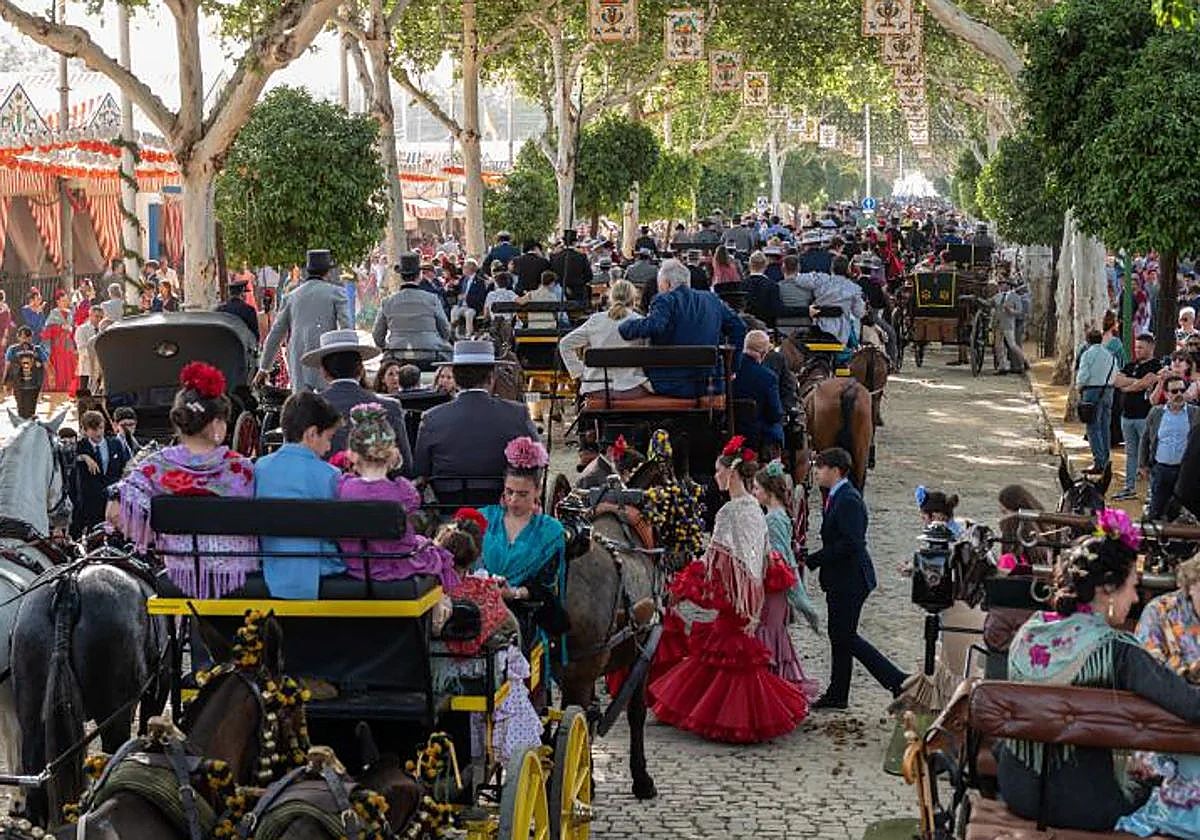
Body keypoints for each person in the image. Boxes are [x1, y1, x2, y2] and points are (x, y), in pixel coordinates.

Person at [999, 511, 1200, 832]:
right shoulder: (1116, 649)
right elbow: (1192, 706)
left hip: (1018, 791)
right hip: (1087, 803)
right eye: (1132, 587)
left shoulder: (1030, 631)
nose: (1136, 598)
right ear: (1107, 589)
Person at [650, 438, 809, 743]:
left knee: (722, 657)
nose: (716, 478)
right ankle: (720, 713)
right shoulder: (754, 508)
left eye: (718, 472)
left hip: (735, 597)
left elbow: (714, 561)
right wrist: (752, 603)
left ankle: (726, 716)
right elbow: (759, 560)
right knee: (721, 659)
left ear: (732, 473)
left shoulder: (729, 512)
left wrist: (684, 587)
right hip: (748, 598)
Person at [109, 362, 257, 598]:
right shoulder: (242, 468)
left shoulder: (155, 466)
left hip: (182, 575)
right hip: (235, 578)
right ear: (217, 425)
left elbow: (117, 510)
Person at [806, 447, 907, 708]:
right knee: (839, 636)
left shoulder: (848, 499)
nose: (816, 472)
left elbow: (852, 543)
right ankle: (838, 693)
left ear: (836, 470)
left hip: (850, 579)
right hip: (842, 578)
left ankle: (896, 679)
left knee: (845, 636)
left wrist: (815, 559)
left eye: (821, 467)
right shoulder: (838, 495)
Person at [1118, 555, 1200, 837]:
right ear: (1190, 585)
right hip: (1163, 730)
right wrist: (1190, 674)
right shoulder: (1160, 612)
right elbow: (1150, 681)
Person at [336, 403, 458, 588]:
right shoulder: (402, 490)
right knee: (433, 549)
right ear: (391, 453)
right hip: (396, 562)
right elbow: (413, 506)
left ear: (352, 454)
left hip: (357, 565)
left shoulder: (344, 486)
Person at [413, 340, 539, 489]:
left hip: (448, 500)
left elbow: (421, 469)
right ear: (491, 377)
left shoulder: (432, 417)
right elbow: (536, 459)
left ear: (456, 378)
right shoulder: (517, 413)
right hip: (503, 498)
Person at [254, 391, 344, 599]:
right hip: (320, 569)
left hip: (271, 565)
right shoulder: (330, 475)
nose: (329, 447)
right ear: (312, 434)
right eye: (328, 438)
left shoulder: (261, 467)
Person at [479, 437, 568, 638]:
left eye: (522, 494)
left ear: (538, 491)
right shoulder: (483, 518)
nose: (513, 500)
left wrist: (514, 593)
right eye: (509, 492)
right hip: (478, 606)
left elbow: (547, 586)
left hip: (526, 611)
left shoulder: (551, 532)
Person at [618, 259, 746, 398]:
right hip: (709, 382)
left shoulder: (665, 299)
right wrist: (732, 367)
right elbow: (739, 327)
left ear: (667, 283)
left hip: (670, 383)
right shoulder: (711, 299)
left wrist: (626, 326)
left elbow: (655, 325)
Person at [304, 329, 413, 473]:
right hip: (376, 492)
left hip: (321, 492)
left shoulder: (308, 408)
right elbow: (405, 466)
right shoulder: (390, 407)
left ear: (324, 372)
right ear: (361, 369)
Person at [753, 460, 819, 692]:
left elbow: (782, 558)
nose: (754, 493)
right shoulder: (779, 514)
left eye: (757, 489)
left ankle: (772, 686)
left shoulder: (772, 519)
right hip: (775, 587)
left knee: (768, 632)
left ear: (769, 492)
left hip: (773, 588)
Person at [257, 249, 351, 394]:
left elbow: (276, 333)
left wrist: (264, 368)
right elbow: (346, 328)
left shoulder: (291, 296)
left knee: (301, 405)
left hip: (298, 355)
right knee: (328, 403)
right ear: (327, 272)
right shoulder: (336, 293)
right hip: (326, 355)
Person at [558, 278, 649, 399]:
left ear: (611, 298)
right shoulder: (640, 321)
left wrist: (579, 373)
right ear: (633, 299)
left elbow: (565, 343)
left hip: (596, 387)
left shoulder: (596, 320)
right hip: (631, 386)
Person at [1140, 373, 1200, 520]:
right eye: (1174, 391)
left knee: (1185, 515)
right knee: (1155, 512)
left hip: (1185, 474)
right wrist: (1143, 465)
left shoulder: (1196, 413)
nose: (1179, 394)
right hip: (1161, 471)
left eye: (1182, 390)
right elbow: (1145, 439)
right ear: (1166, 394)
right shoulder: (1156, 413)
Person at [373, 252, 453, 362]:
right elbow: (445, 330)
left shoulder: (388, 302)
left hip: (397, 355)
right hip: (430, 354)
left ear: (401, 276)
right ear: (419, 275)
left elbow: (377, 335)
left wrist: (388, 346)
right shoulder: (432, 299)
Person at [1112, 332, 1163, 500]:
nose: (1137, 350)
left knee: (1148, 455)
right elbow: (1118, 381)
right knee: (1131, 453)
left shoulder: (1157, 366)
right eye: (1136, 347)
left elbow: (1147, 383)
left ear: (1151, 347)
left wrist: (1131, 384)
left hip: (1144, 417)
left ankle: (1152, 492)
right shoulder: (1130, 365)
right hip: (1126, 417)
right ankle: (1129, 487)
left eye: (1141, 347)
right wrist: (1137, 382)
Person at [72, 409, 129, 538]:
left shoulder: (115, 444)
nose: (98, 433)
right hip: (89, 503)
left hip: (112, 501)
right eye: (94, 429)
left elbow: (125, 468)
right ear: (85, 430)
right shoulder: (79, 446)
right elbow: (68, 459)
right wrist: (84, 457)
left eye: (101, 428)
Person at [733, 330, 784, 455]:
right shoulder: (768, 377)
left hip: (729, 433)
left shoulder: (729, 369)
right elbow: (774, 414)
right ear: (764, 353)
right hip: (756, 438)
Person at [1076, 327, 1119, 471]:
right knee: (1105, 426)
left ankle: (1099, 461)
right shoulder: (1110, 355)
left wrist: (1079, 387)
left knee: (1092, 427)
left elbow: (1083, 375)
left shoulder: (1087, 355)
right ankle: (1106, 459)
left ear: (1087, 341)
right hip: (1108, 391)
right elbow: (1115, 374)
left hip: (1092, 391)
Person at [5, 326, 48, 419]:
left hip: (34, 384)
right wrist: (6, 382)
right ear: (18, 337)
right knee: (21, 408)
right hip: (18, 384)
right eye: (23, 337)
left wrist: (51, 377)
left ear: (31, 338)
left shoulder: (38, 349)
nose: (26, 340)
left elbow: (46, 363)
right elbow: (7, 366)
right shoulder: (12, 350)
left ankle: (30, 428)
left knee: (32, 409)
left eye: (28, 337)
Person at [41, 289, 76, 394]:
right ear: (58, 301)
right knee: (59, 364)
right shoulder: (54, 313)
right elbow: (47, 329)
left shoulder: (70, 313)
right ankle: (58, 385)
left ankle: (69, 386)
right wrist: (60, 327)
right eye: (63, 300)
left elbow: (72, 326)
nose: (65, 302)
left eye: (66, 300)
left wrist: (70, 329)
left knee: (69, 363)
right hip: (58, 344)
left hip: (68, 342)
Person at [993, 279, 1028, 375]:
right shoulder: (997, 296)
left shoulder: (1015, 297)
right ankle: (1002, 367)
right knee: (998, 347)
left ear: (1008, 286)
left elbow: (1020, 311)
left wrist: (1011, 311)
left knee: (1012, 345)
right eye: (999, 284)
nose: (1000, 286)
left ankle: (1024, 361)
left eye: (1002, 284)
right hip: (998, 324)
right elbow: (990, 305)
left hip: (1008, 324)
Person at [549, 231, 593, 305]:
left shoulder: (554, 257)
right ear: (575, 242)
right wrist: (579, 282)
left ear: (564, 242)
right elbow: (589, 276)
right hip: (578, 293)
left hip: (559, 293)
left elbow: (551, 274)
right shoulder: (581, 256)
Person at [449, 258, 487, 338]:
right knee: (454, 311)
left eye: (464, 267)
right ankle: (455, 334)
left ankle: (468, 335)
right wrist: (452, 287)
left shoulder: (480, 282)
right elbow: (458, 290)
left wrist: (467, 297)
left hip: (472, 306)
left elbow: (481, 298)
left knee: (469, 314)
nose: (463, 269)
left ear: (471, 269)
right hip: (461, 305)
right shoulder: (463, 279)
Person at [743, 251, 783, 324]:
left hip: (746, 325)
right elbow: (776, 310)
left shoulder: (742, 285)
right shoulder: (772, 285)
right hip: (767, 326)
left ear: (749, 265)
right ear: (765, 266)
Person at [73, 305, 103, 394]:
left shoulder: (103, 330)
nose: (99, 319)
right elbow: (81, 348)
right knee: (84, 393)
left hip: (99, 368)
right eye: (96, 316)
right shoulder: (82, 329)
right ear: (90, 316)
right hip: (86, 366)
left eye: (101, 317)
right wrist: (96, 355)